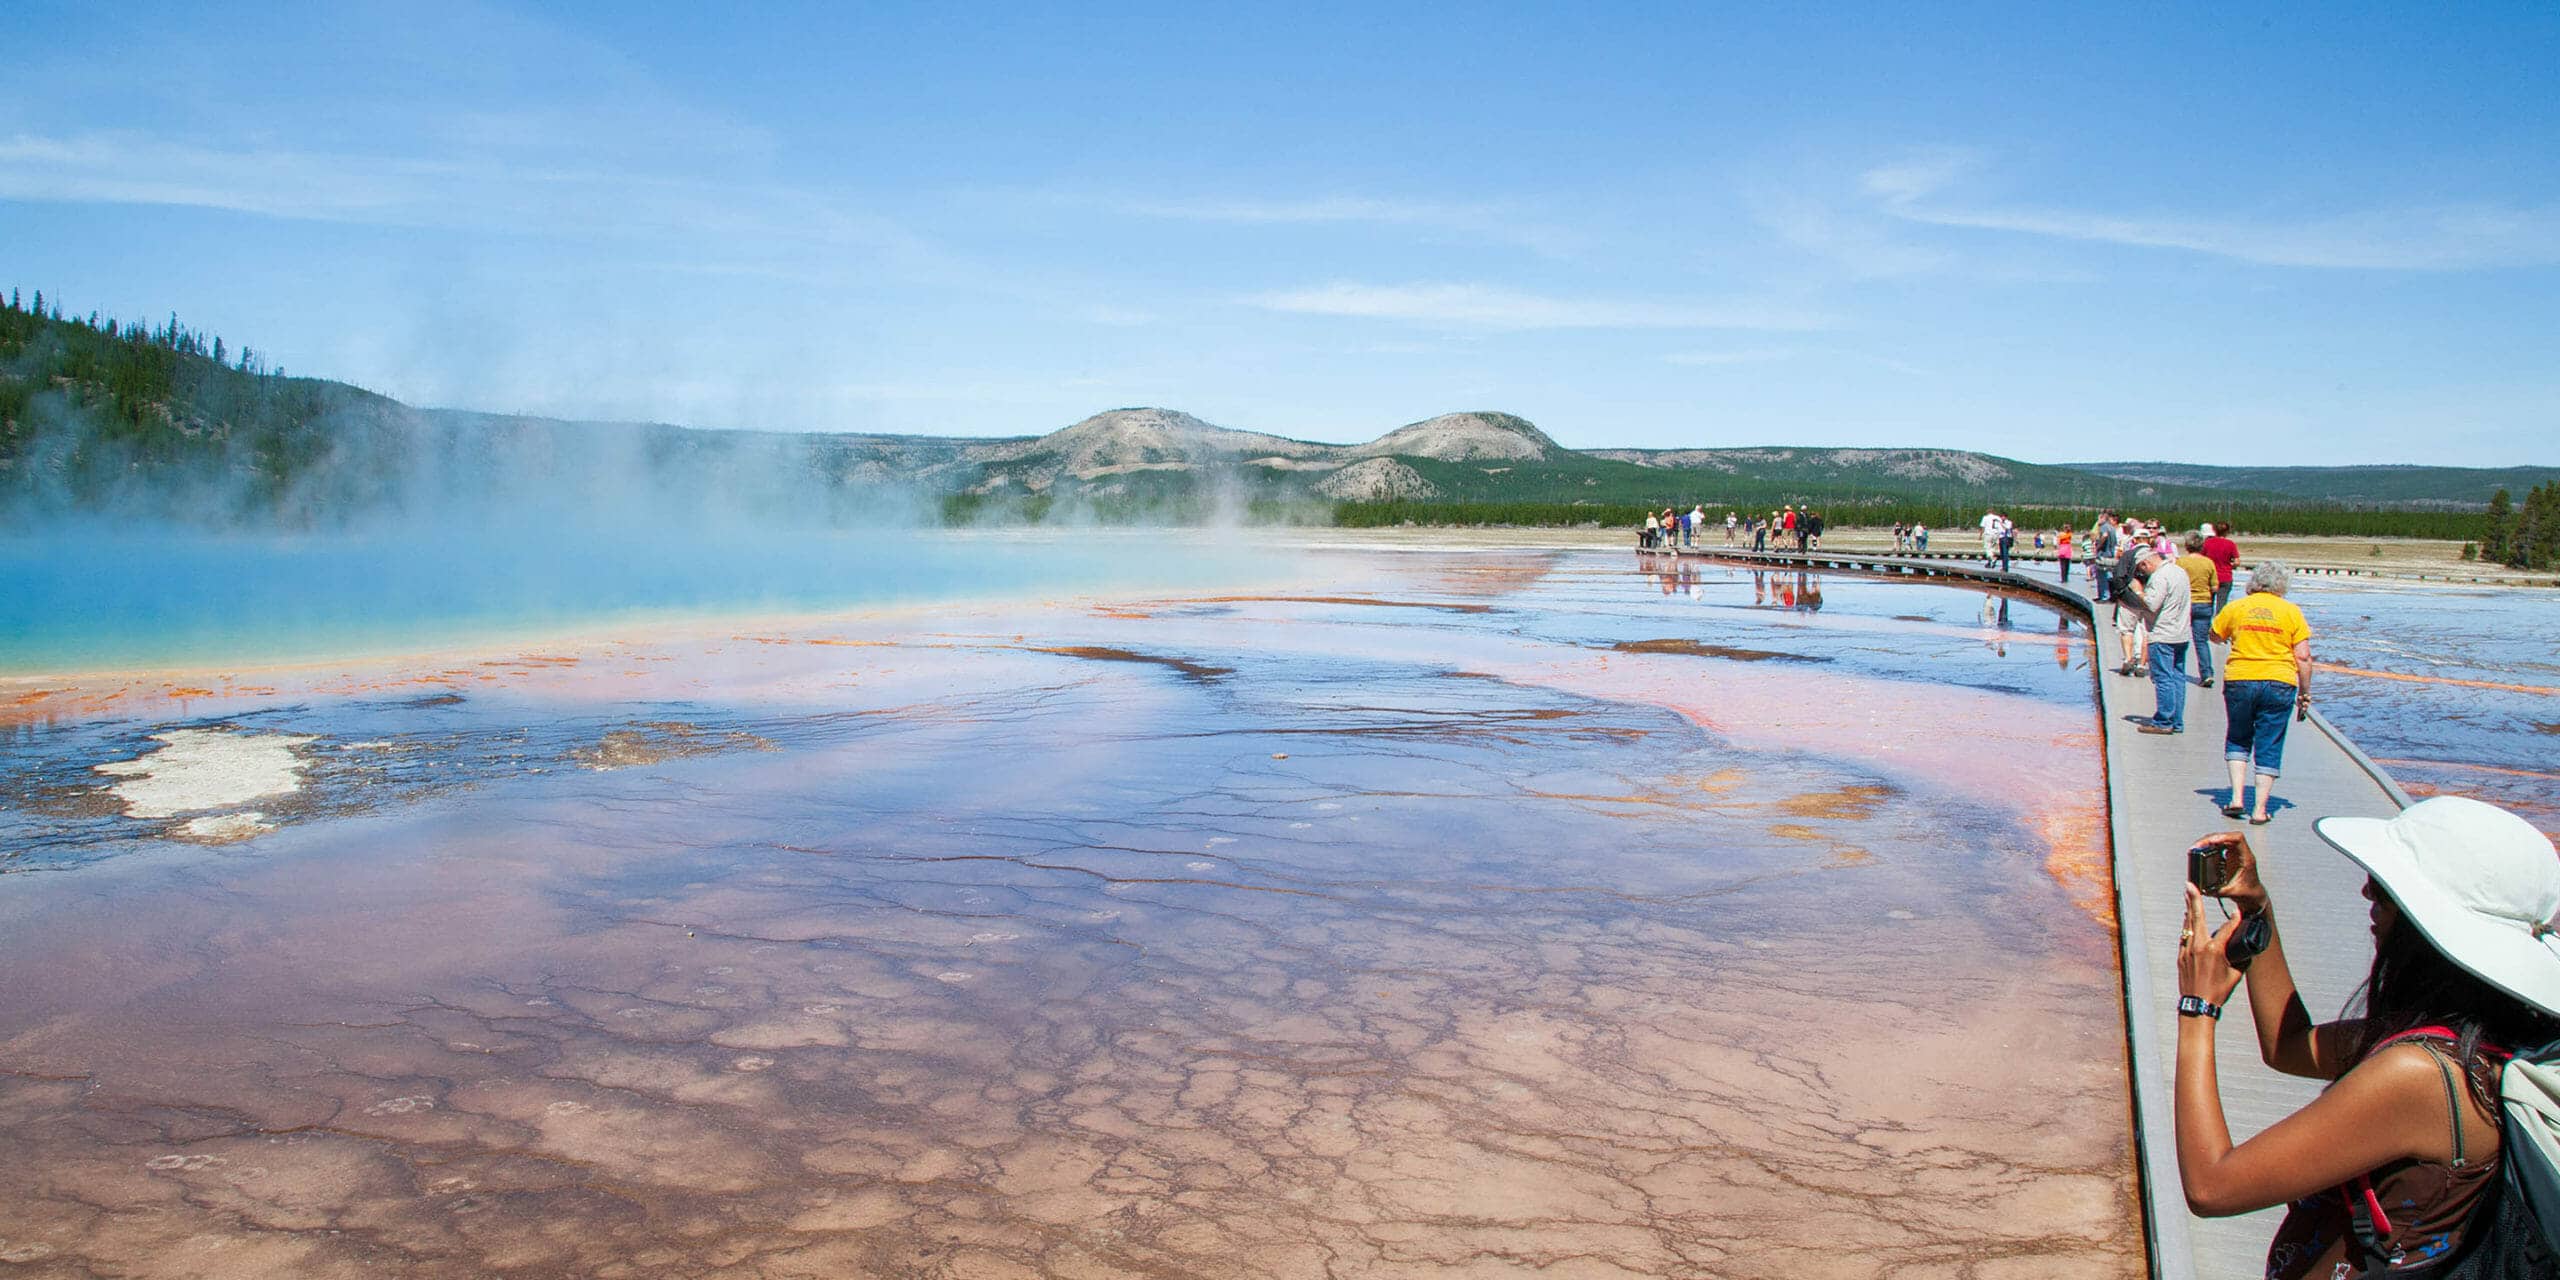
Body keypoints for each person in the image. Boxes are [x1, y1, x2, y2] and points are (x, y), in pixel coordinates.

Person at [2173, 798, 2560, 1279]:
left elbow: (2212, 1187)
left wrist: (2197, 1008)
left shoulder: (2421, 1075)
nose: (2364, 892)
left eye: (2382, 888)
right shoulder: (2479, 1033)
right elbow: (2289, 1046)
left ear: (2424, 922)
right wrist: (2257, 908)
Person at [2212, 561, 2314, 824]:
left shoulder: (2236, 607)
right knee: (2269, 742)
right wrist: (2304, 692)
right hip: (2279, 681)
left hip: (2241, 678)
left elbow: (2214, 634)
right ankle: (2259, 810)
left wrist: (2234, 636)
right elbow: (2303, 656)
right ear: (2282, 585)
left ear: (2255, 582)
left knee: (2238, 736)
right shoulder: (2291, 612)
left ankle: (2235, 798)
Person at [2133, 546, 2192, 733]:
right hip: (2180, 633)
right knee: (2177, 678)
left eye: (2142, 569)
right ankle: (2177, 721)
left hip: (2162, 633)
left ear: (2146, 563)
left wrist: (2138, 591)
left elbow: (2151, 604)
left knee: (2163, 678)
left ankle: (2163, 721)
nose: (2143, 573)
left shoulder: (2159, 577)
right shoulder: (2179, 571)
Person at [2179, 533, 2220, 688]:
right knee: (2201, 641)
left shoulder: (2181, 562)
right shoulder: (2208, 563)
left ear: (2187, 545)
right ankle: (2206, 673)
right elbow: (2215, 586)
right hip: (2204, 603)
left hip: (2186, 603)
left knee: (2180, 638)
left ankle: (2178, 670)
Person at [2203, 521, 2240, 612]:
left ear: (2214, 531)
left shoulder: (2207, 543)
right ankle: (2219, 624)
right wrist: (2231, 566)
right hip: (2225, 577)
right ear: (2227, 531)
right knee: (2221, 605)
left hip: (2210, 577)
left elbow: (2201, 558)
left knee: (2208, 604)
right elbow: (2237, 562)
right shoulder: (2230, 544)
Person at [2091, 514, 2120, 612]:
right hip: (2110, 554)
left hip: (2103, 554)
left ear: (2103, 518)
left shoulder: (2104, 527)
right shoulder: (2112, 528)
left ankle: (2104, 596)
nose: (2097, 520)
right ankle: (2105, 596)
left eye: (2099, 518)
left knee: (2102, 576)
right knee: (2107, 575)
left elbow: (2104, 536)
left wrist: (2097, 547)